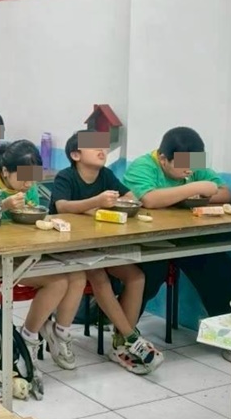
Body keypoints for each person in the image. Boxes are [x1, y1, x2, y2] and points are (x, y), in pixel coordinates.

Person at [0, 140, 87, 370]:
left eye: (32, 178)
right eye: (24, 178)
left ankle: (60, 333)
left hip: (23, 251)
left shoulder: (28, 187)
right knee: (57, 282)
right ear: (5, 171)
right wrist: (3, 205)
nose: (28, 184)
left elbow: (30, 217)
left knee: (78, 275)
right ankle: (28, 338)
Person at [50, 131, 162, 374]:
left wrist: (128, 203)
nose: (102, 150)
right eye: (94, 147)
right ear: (76, 155)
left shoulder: (106, 175)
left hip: (100, 245)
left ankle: (120, 342)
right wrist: (96, 202)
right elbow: (62, 206)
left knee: (136, 276)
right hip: (69, 249)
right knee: (99, 277)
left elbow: (130, 197)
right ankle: (131, 338)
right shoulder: (66, 176)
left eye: (103, 146)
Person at [124, 126, 231, 323]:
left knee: (219, 268)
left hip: (187, 237)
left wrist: (195, 194)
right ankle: (123, 330)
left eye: (192, 164)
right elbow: (150, 199)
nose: (189, 170)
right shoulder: (143, 166)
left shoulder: (191, 162)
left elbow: (226, 193)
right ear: (163, 159)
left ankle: (230, 330)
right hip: (148, 241)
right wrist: (194, 188)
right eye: (182, 165)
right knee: (150, 274)